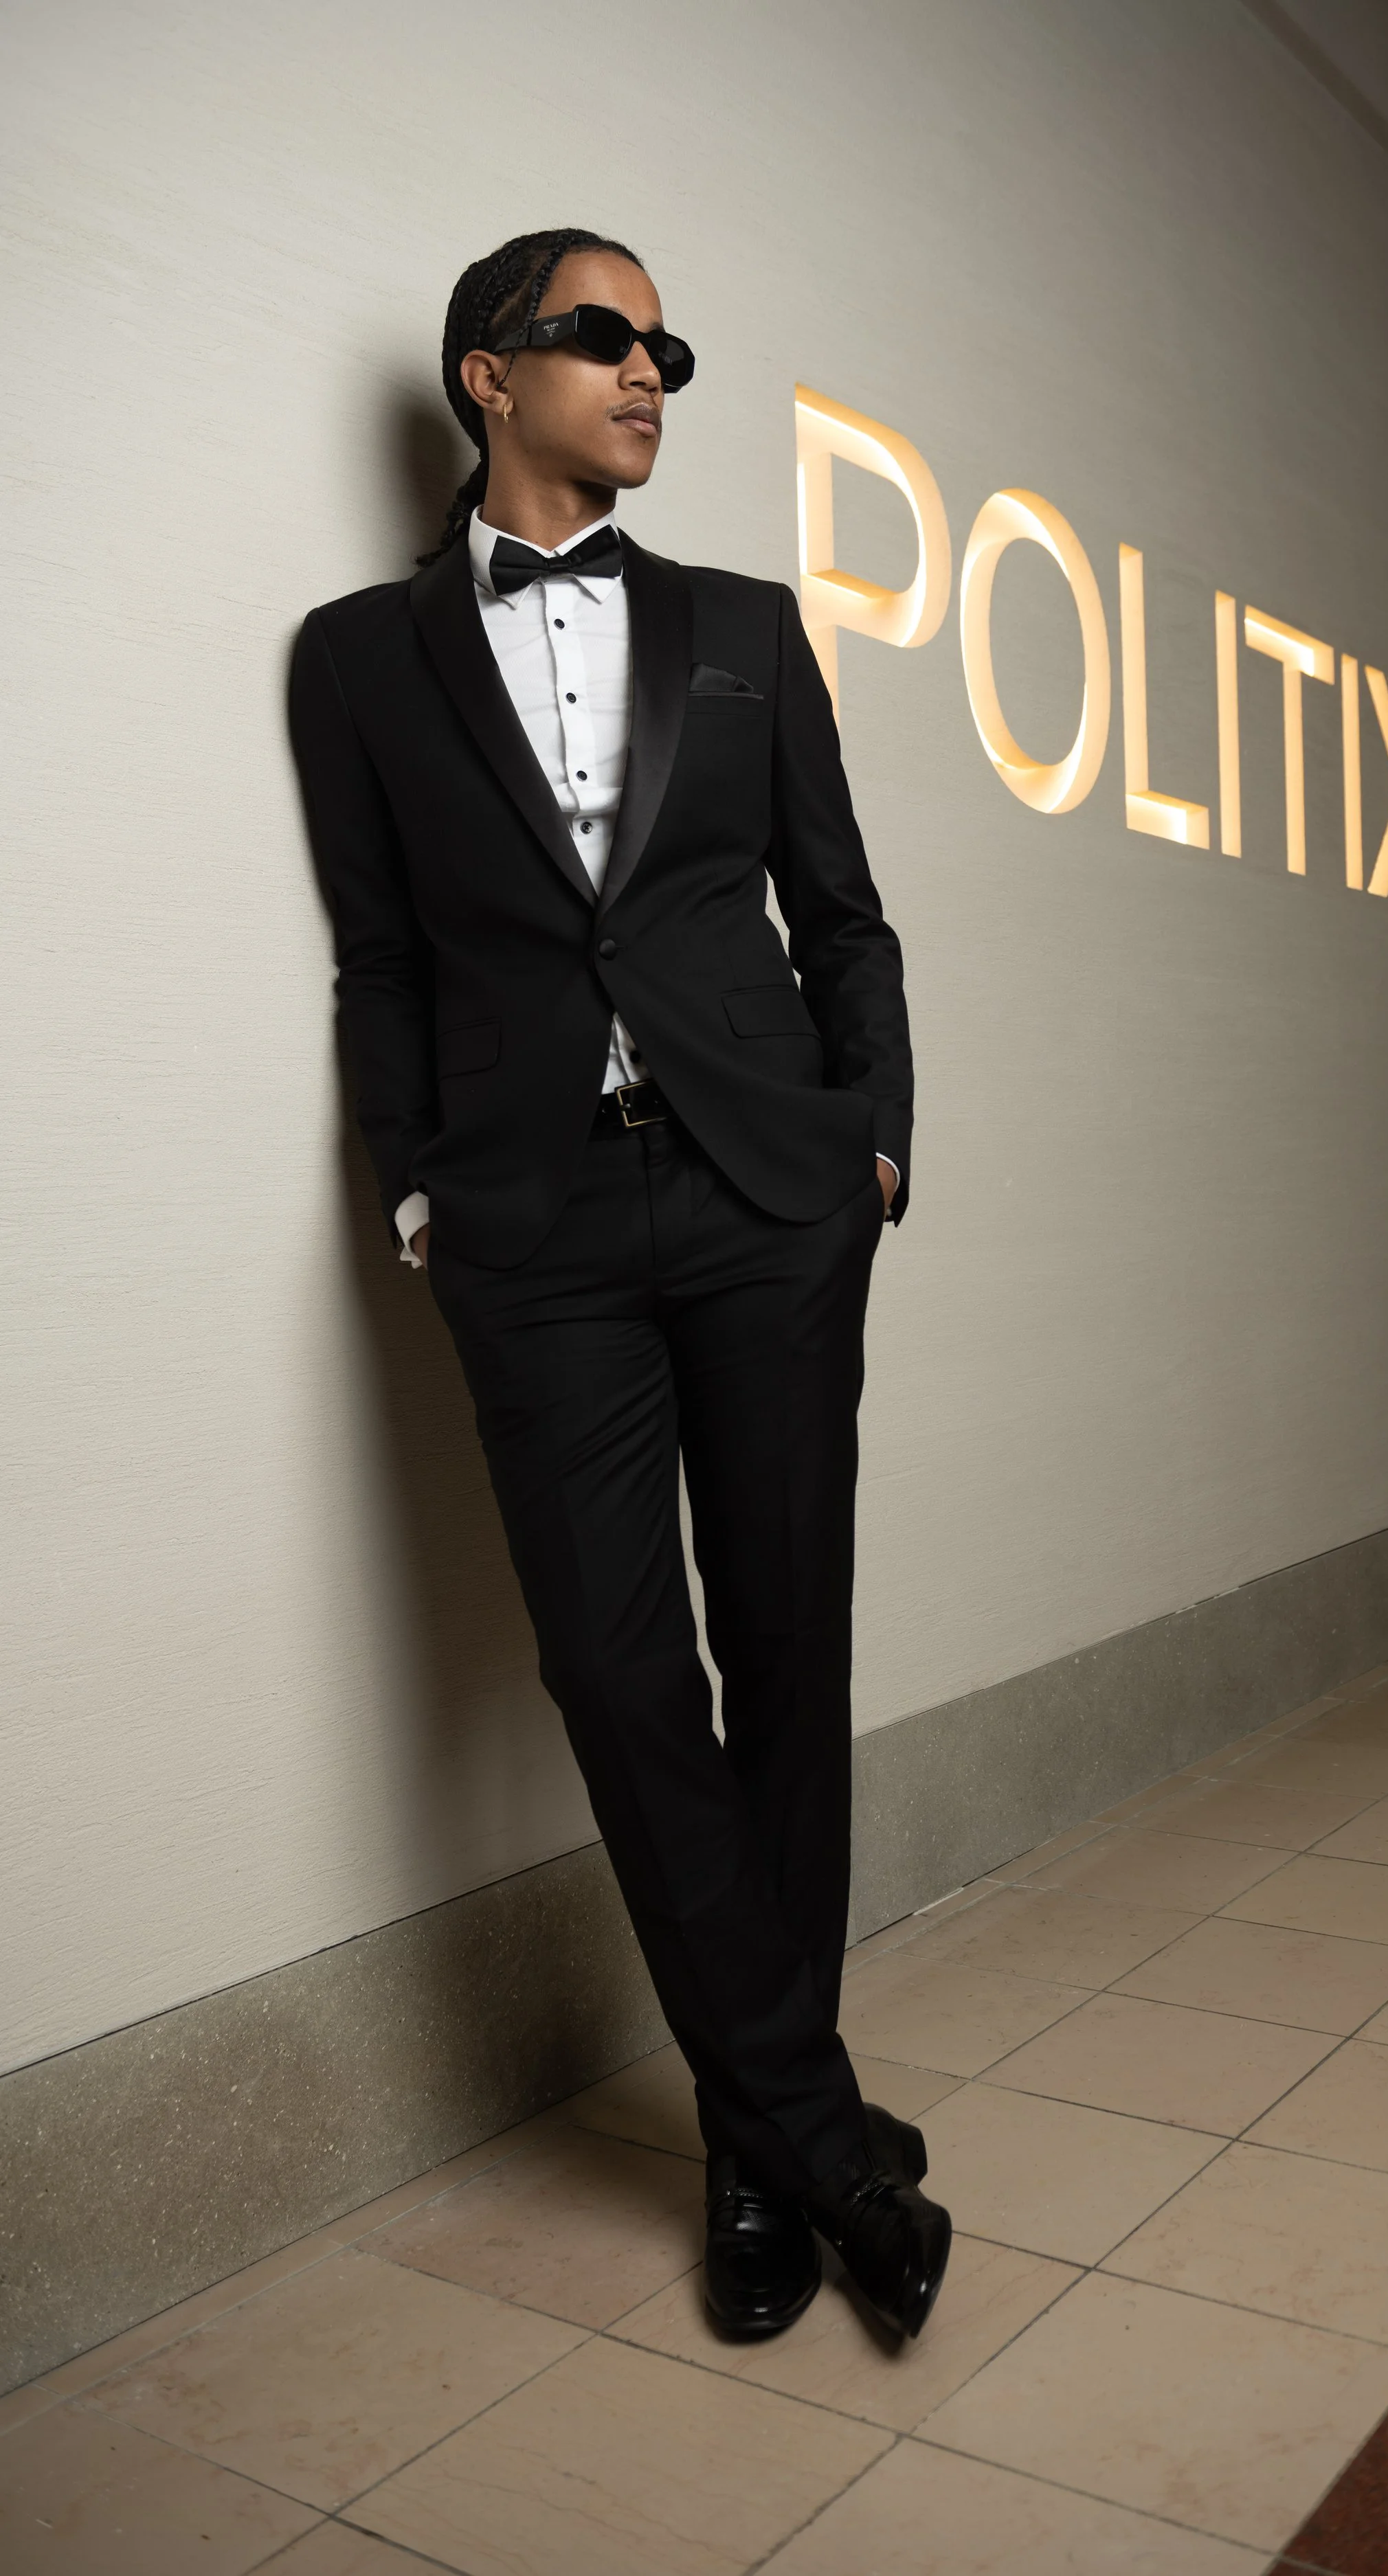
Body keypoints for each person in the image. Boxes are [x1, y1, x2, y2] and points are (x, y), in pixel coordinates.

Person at [289, 227, 950, 2340]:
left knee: (783, 1652)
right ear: (488, 375)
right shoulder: (354, 660)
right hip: (535, 1230)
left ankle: (758, 2154)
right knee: (615, 1671)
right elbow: (380, 959)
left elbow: (843, 916)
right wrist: (420, 1197)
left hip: (766, 1199)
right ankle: (816, 2134)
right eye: (601, 336)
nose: (649, 369)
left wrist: (866, 1144)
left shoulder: (745, 626)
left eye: (665, 344)